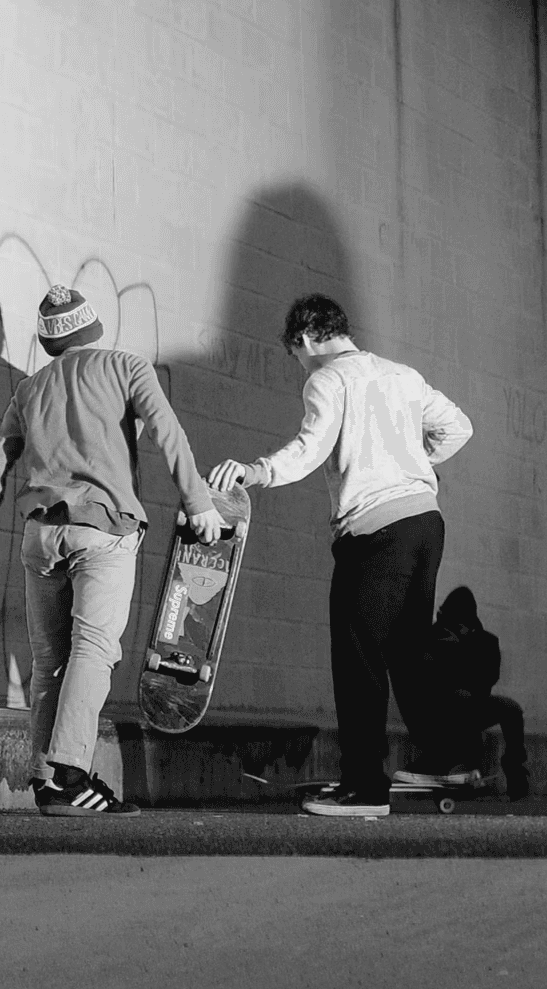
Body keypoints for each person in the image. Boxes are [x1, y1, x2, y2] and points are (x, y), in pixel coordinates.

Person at [0, 286, 227, 816]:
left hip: (40, 539)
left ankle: (49, 780)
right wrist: (198, 500)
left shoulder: (29, 389)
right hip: (103, 531)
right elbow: (165, 430)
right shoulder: (126, 367)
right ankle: (68, 772)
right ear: (93, 327)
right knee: (94, 650)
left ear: (47, 340)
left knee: (49, 663)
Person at [210, 293, 472, 818]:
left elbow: (310, 448)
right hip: (425, 523)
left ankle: (364, 787)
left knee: (359, 656)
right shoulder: (404, 375)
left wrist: (257, 471)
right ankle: (447, 761)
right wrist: (417, 462)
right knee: (407, 649)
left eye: (296, 357)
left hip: (374, 530)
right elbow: (459, 427)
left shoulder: (327, 379)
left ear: (305, 340)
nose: (300, 368)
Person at [427, 586, 528, 799]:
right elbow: (435, 677)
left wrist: (464, 651)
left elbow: (487, 677)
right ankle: (462, 768)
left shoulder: (485, 641)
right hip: (441, 707)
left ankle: (515, 768)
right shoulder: (436, 638)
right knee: (462, 700)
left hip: (473, 701)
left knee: (511, 709)